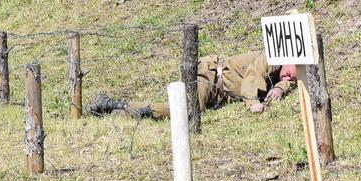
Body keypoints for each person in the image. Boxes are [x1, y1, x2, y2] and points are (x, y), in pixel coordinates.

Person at [88, 52, 298, 119]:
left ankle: (122, 110)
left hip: (219, 92)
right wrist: (252, 102)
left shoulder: (287, 69)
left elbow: (288, 78)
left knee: (189, 110)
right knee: (188, 110)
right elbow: (253, 75)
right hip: (209, 77)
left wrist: (281, 87)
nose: (290, 75)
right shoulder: (272, 55)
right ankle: (120, 106)